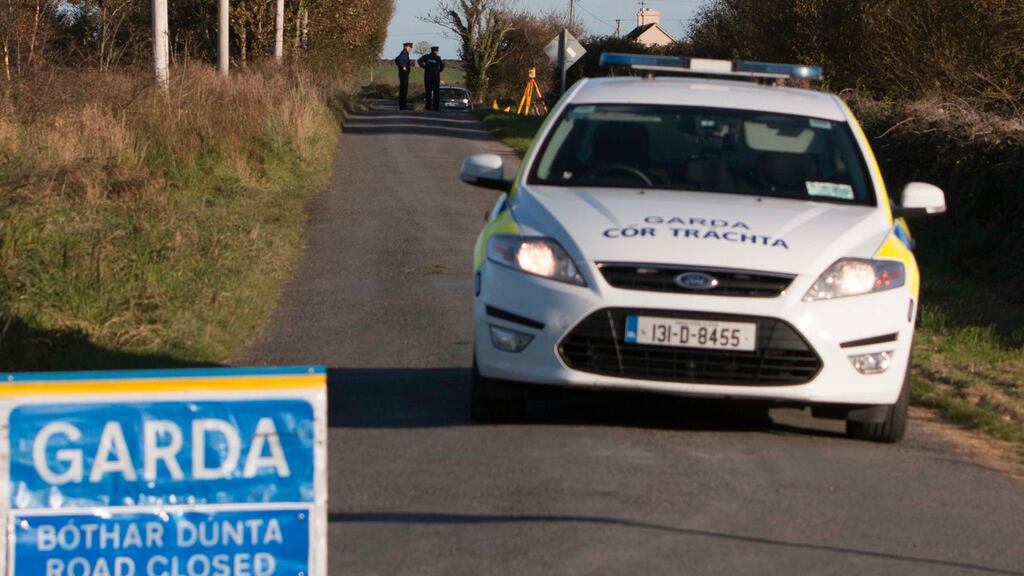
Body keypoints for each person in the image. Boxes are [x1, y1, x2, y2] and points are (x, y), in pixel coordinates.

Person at [418, 46, 445, 111]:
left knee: (428, 92)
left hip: (428, 77)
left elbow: (419, 61)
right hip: (435, 77)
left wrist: (424, 67)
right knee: (436, 93)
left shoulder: (426, 56)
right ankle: (436, 107)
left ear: (431, 50)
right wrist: (438, 71)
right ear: (436, 51)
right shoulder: (437, 58)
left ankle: (428, 107)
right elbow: (442, 66)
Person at [394, 42, 413, 110]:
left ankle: (403, 105)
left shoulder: (406, 53)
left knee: (404, 89)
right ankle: (402, 105)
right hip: (403, 74)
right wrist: (403, 67)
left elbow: (397, 60)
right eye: (410, 47)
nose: (411, 49)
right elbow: (398, 59)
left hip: (404, 73)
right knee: (403, 89)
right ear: (406, 47)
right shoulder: (404, 53)